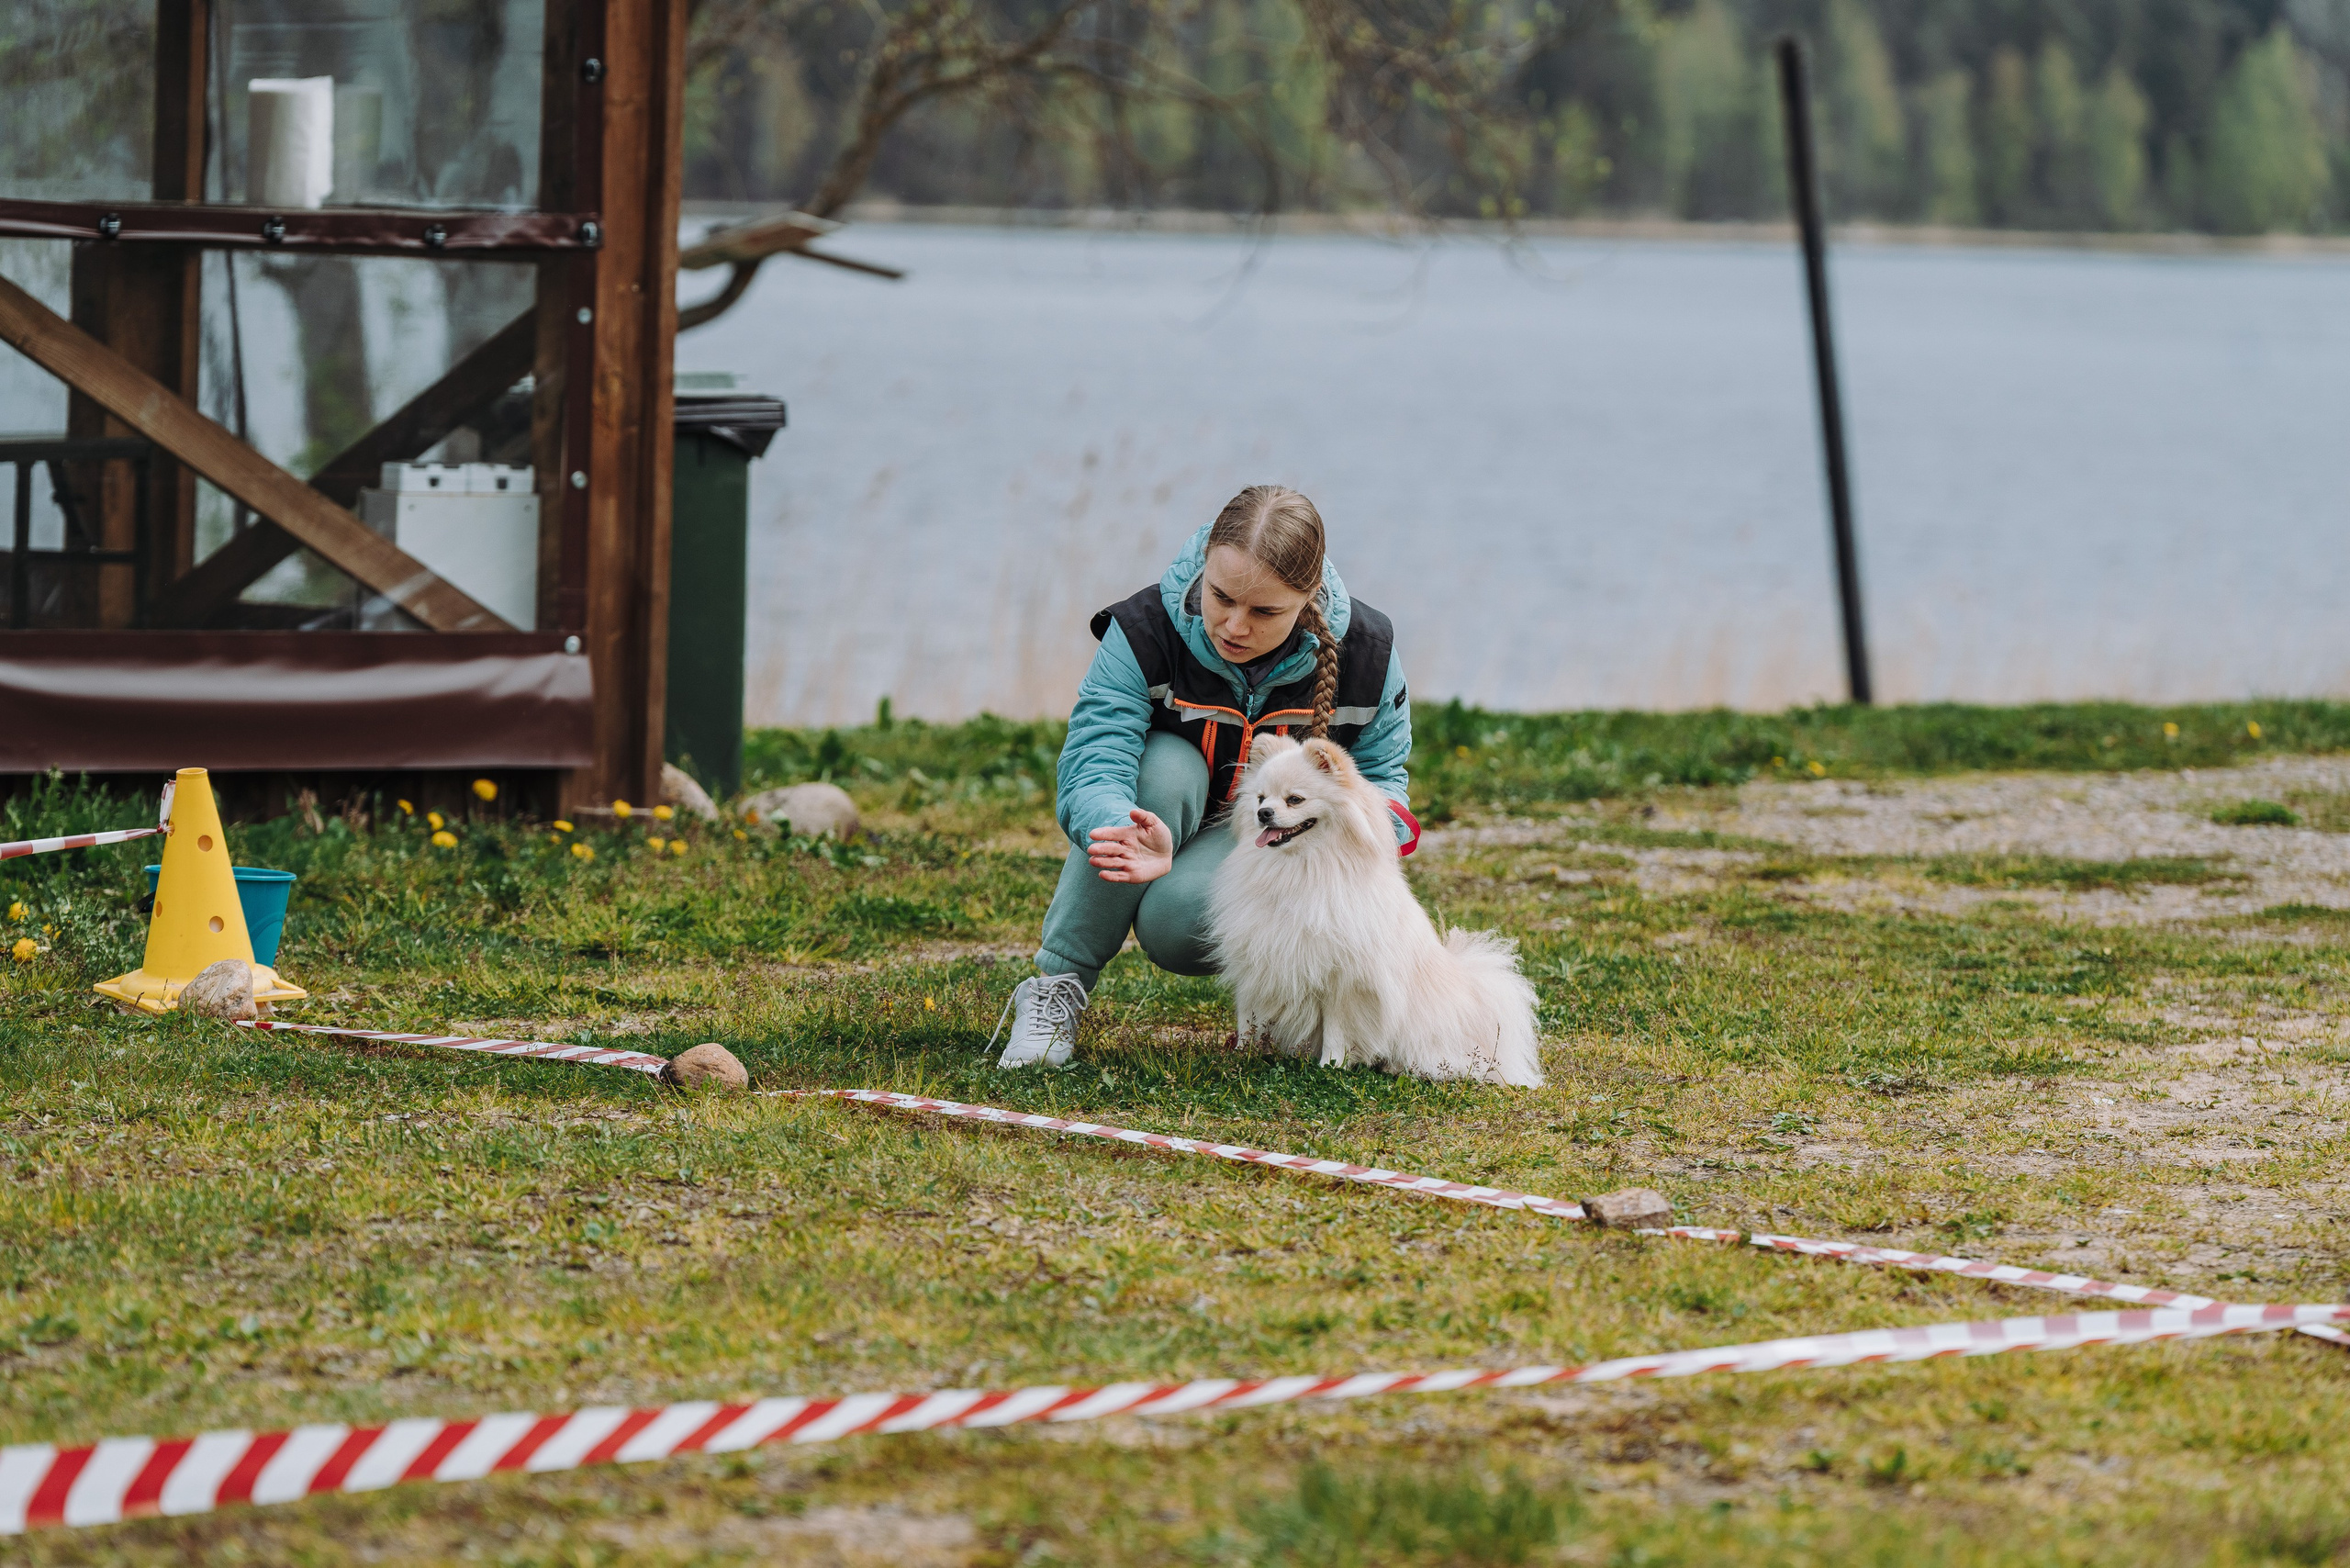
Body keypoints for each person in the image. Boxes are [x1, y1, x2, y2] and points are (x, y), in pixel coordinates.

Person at [991, 484, 1418, 1068]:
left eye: (1264, 611)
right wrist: (1128, 829)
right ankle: (1055, 990)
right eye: (1221, 597)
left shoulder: (1369, 652)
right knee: (1162, 768)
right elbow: (1095, 760)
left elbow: (1383, 778)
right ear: (1206, 563)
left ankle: (1280, 1010)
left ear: (1308, 596)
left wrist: (1364, 845)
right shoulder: (1142, 631)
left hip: (1267, 841)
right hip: (1163, 807)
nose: (1234, 625)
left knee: (1176, 923)